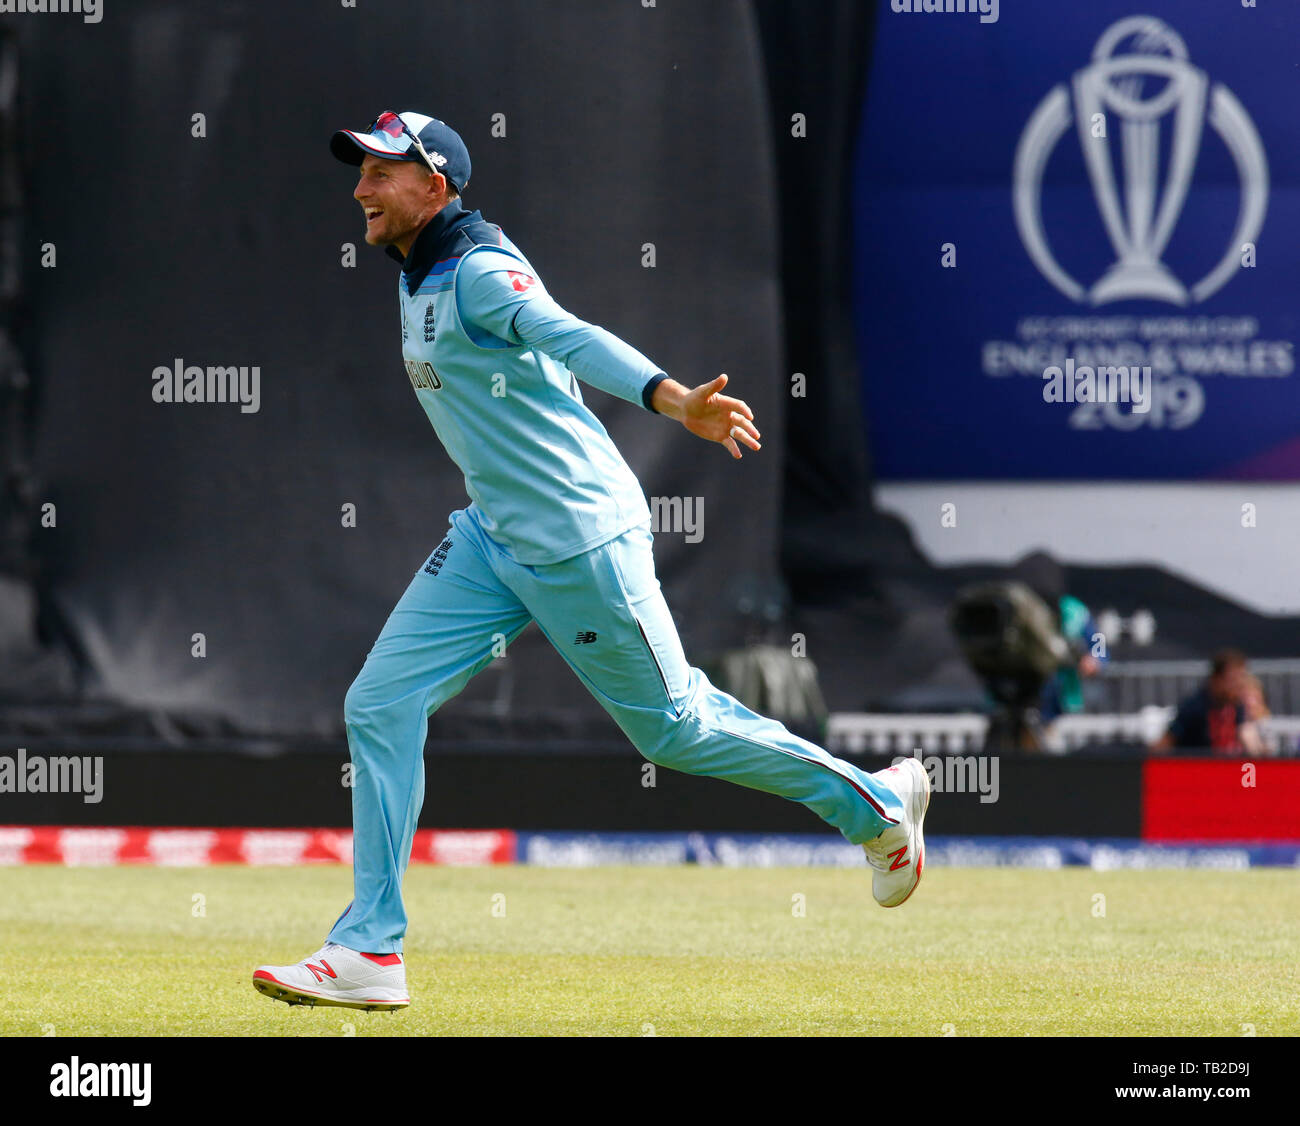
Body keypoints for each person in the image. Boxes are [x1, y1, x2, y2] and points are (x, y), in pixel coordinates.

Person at [251, 111, 930, 1011]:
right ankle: (370, 949)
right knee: (379, 702)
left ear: (436, 186)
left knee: (675, 731)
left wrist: (674, 398)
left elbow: (571, 335)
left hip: (579, 541)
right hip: (494, 539)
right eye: (362, 171)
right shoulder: (418, 269)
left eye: (381, 173)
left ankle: (876, 809)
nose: (361, 188)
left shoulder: (480, 273)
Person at [1149, 648, 1265, 756]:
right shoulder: (1194, 707)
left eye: (1241, 679)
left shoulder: (1237, 706)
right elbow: (1165, 743)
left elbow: (1248, 739)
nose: (1238, 685)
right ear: (1216, 679)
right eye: (1233, 680)